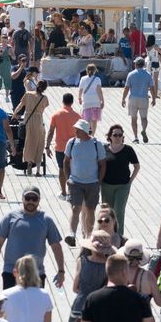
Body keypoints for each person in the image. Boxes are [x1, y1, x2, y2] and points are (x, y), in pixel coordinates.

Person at [59, 230, 115, 322]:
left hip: (80, 308)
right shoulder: (109, 265)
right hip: (100, 309)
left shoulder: (82, 261)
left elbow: (75, 287)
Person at [0, 186, 67, 290]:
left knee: (36, 306)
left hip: (36, 273)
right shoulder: (10, 217)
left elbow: (56, 247)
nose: (30, 201)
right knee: (11, 306)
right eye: (27, 198)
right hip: (11, 272)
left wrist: (61, 271)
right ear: (22, 199)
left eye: (34, 199)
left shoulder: (46, 220)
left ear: (39, 200)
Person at [63, 119, 106, 248]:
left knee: (90, 210)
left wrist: (99, 181)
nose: (76, 131)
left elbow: (103, 164)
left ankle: (88, 236)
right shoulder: (71, 143)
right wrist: (68, 178)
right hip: (75, 181)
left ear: (85, 131)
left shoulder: (96, 144)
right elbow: (66, 161)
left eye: (78, 130)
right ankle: (71, 234)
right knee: (75, 208)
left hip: (92, 182)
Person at [100, 124, 141, 236]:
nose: (118, 137)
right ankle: (106, 234)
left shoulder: (128, 149)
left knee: (118, 211)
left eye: (120, 135)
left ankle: (118, 237)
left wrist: (130, 181)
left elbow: (136, 166)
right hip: (106, 185)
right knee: (106, 212)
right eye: (115, 135)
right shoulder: (104, 149)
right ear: (110, 136)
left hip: (123, 185)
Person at [46, 93, 80, 199]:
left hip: (60, 147)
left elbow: (51, 131)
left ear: (63, 101)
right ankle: (72, 192)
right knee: (73, 170)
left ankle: (63, 192)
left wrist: (47, 146)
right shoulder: (78, 116)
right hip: (74, 147)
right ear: (72, 102)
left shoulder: (56, 115)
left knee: (61, 169)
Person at [12, 78, 49, 175]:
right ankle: (37, 170)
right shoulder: (44, 98)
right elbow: (43, 108)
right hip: (39, 120)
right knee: (39, 143)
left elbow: (20, 105)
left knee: (29, 142)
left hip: (28, 119)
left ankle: (28, 162)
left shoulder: (28, 94)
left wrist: (14, 114)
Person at [122, 58, 156, 143]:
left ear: (135, 64)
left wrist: (123, 98)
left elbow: (126, 88)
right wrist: (154, 98)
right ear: (143, 65)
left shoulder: (131, 74)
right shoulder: (147, 74)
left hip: (133, 98)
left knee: (134, 119)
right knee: (144, 118)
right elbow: (151, 87)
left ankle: (136, 137)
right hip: (144, 98)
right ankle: (143, 130)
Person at [77, 63, 105, 135]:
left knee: (87, 119)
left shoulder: (83, 78)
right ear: (95, 71)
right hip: (95, 101)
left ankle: (86, 134)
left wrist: (79, 97)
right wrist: (102, 101)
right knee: (94, 120)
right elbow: (99, 91)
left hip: (86, 101)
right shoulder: (97, 79)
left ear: (86, 70)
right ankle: (92, 135)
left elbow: (80, 89)